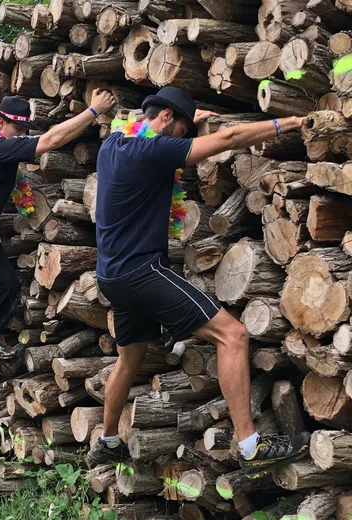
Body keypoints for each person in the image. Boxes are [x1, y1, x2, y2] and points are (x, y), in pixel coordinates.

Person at [88, 86, 309, 472]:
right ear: (167, 120)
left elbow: (148, 126)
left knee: (129, 359)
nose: (184, 142)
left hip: (111, 275)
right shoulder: (153, 150)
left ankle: (107, 441)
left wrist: (188, 121)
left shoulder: (114, 146)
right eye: (183, 132)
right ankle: (250, 445)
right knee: (234, 335)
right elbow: (231, 137)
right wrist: (289, 122)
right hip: (142, 271)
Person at [0, 92, 116, 413]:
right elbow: (49, 141)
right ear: (0, 124)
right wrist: (92, 111)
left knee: (6, 288)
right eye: (18, 131)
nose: (23, 137)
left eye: (24, 131)